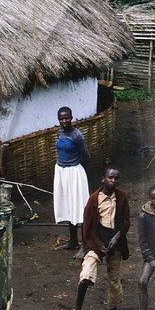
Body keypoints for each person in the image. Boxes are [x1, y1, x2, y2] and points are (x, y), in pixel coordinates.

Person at [65, 167, 130, 310]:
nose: (113, 181)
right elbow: (87, 228)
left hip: (115, 242)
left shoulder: (121, 197)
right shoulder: (94, 199)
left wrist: (117, 237)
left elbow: (126, 222)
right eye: (110, 178)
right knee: (86, 274)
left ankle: (113, 308)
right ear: (103, 179)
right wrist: (98, 244)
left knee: (113, 278)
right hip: (96, 242)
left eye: (116, 178)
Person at [53, 107, 92, 252]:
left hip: (74, 173)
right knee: (68, 206)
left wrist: (75, 167)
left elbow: (86, 156)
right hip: (61, 172)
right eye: (61, 118)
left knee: (79, 207)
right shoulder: (60, 132)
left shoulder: (77, 135)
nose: (64, 121)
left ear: (71, 117)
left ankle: (84, 244)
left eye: (66, 118)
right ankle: (73, 241)